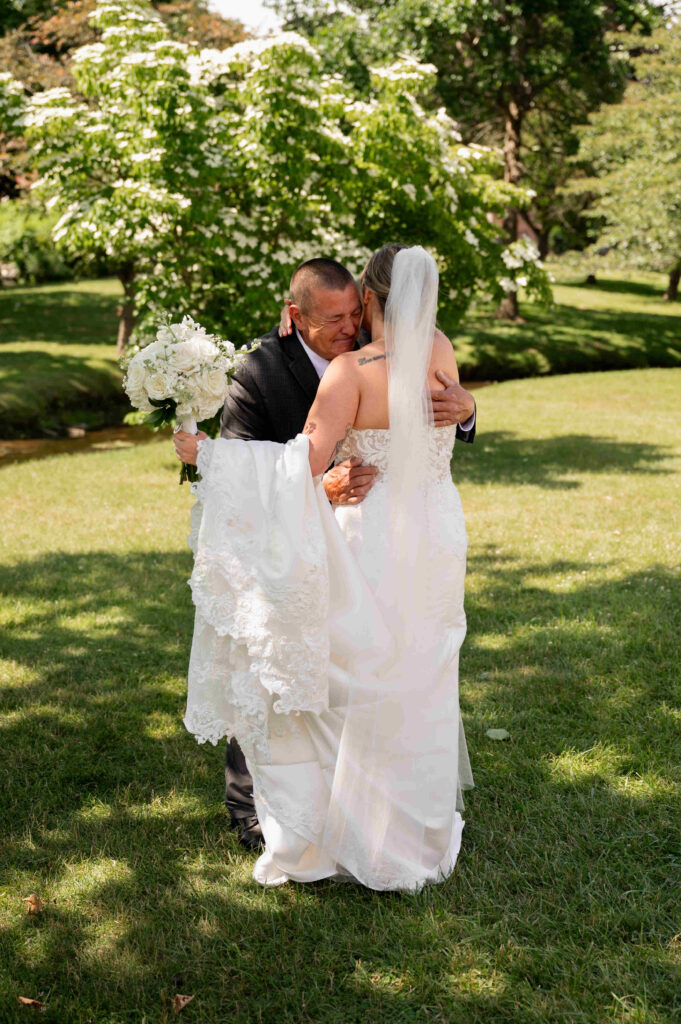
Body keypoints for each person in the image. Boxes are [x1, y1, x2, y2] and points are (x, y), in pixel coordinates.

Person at [177, 244, 473, 891]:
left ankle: (349, 830)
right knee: (418, 673)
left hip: (367, 536)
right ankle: (413, 827)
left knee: (351, 677)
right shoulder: (440, 350)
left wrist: (205, 454)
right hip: (437, 533)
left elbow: (301, 461)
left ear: (366, 298)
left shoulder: (349, 374)